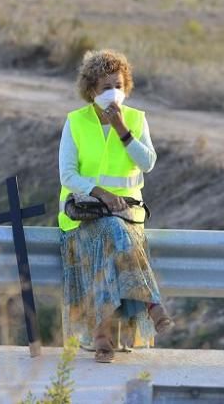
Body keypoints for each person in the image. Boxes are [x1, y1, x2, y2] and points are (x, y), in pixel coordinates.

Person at [58, 49, 174, 363]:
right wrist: (101, 194)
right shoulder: (76, 122)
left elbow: (147, 163)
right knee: (110, 230)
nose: (113, 93)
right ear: (91, 90)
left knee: (114, 232)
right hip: (83, 216)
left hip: (127, 216)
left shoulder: (136, 119)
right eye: (105, 87)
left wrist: (123, 130)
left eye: (119, 85)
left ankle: (102, 338)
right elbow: (67, 174)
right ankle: (152, 304)